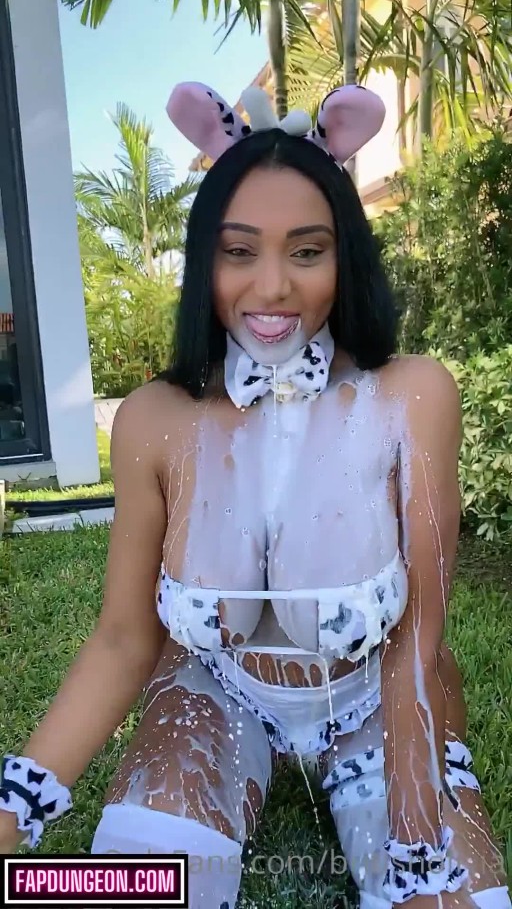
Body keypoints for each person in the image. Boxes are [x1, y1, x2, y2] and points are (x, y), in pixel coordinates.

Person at [0, 82, 509, 909]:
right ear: (205, 259)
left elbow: (417, 644)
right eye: (239, 252)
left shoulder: (414, 397)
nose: (271, 287)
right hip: (212, 695)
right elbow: (123, 642)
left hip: (376, 700)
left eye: (306, 252)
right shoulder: (153, 420)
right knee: (120, 897)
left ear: (346, 257)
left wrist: (418, 840)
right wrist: (11, 810)